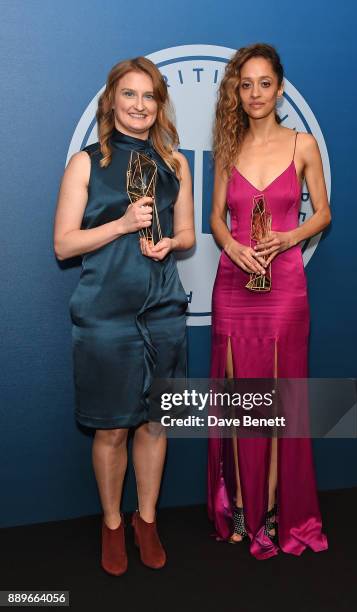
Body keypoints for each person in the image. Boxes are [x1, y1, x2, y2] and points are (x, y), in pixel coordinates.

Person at [54, 57, 194, 575]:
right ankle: (113, 523)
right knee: (111, 429)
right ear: (111, 101)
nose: (139, 105)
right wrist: (119, 224)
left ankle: (147, 519)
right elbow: (64, 244)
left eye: (149, 96)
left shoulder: (174, 163)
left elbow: (188, 236)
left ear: (160, 105)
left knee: (156, 423)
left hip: (162, 310)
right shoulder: (86, 163)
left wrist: (167, 244)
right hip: (106, 316)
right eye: (129, 95)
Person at [207, 43, 330, 560]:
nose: (255, 93)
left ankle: (275, 510)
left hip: (284, 287)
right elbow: (216, 218)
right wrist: (232, 245)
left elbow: (323, 214)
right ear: (237, 93)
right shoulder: (228, 149)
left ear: (279, 88)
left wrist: (287, 237)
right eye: (245, 84)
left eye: (264, 83)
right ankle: (238, 506)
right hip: (233, 286)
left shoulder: (302, 145)